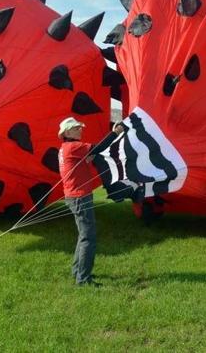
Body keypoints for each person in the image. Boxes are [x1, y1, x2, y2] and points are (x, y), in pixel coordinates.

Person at [58, 118, 126, 286]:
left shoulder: (66, 149)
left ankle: (77, 272)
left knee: (83, 237)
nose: (80, 130)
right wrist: (115, 132)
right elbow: (100, 147)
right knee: (89, 238)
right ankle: (83, 279)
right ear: (66, 133)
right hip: (80, 197)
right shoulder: (73, 147)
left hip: (74, 196)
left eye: (80, 128)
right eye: (75, 128)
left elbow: (89, 155)